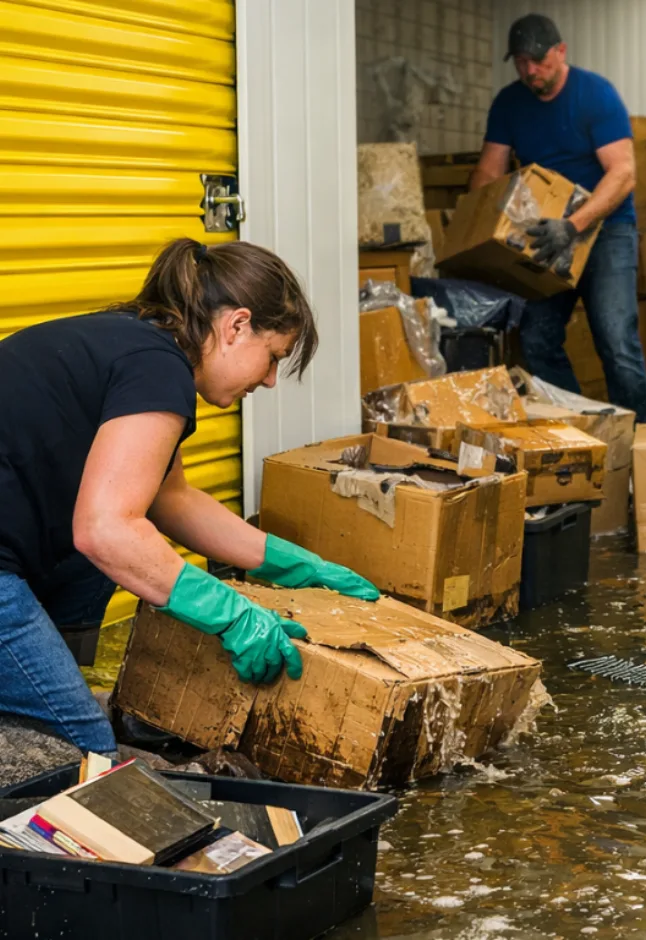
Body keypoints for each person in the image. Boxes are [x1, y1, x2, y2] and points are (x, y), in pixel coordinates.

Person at [0, 237, 381, 755]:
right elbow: (105, 529)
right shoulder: (157, 367)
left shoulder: (139, 344)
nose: (271, 380)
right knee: (85, 751)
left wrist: (295, 565)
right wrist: (232, 615)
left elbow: (170, 498)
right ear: (237, 326)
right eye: (273, 357)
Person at [472, 12, 646, 422]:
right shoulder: (509, 103)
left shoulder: (595, 95)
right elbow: (488, 173)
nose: (530, 71)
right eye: (522, 62)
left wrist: (573, 226)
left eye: (538, 60)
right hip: (545, 233)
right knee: (536, 339)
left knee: (616, 341)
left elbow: (623, 174)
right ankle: (581, 431)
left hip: (605, 230)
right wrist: (476, 232)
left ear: (561, 51)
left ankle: (640, 439)